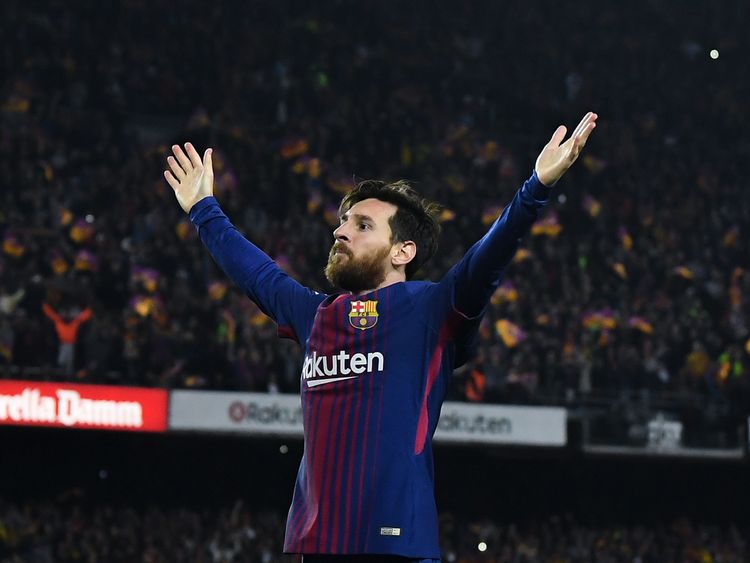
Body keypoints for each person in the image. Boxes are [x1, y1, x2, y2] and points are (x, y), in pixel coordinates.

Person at [164, 112, 597, 561]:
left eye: (362, 225)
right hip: (317, 545)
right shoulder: (315, 314)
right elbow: (255, 272)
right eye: (344, 222)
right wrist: (202, 208)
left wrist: (536, 188)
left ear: (402, 252)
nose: (340, 231)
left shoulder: (428, 309)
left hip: (397, 547)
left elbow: (486, 261)